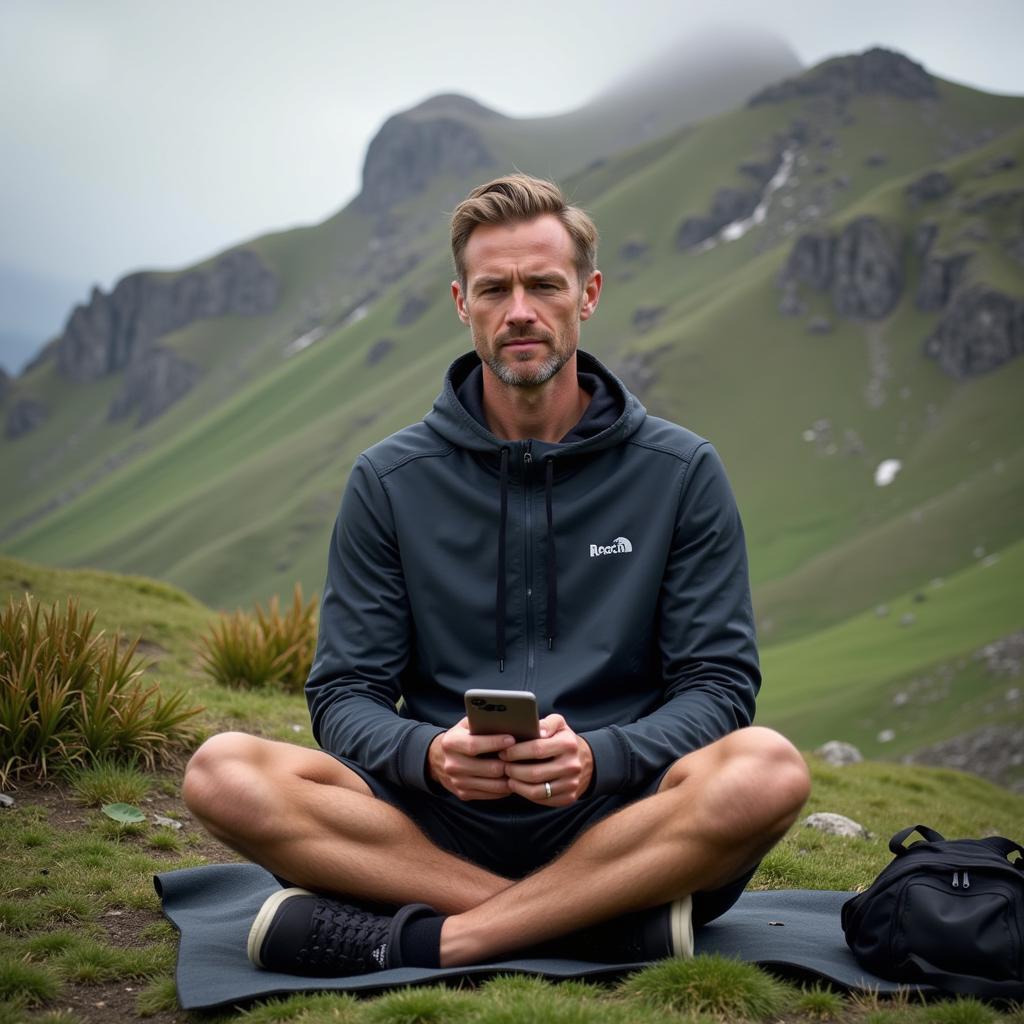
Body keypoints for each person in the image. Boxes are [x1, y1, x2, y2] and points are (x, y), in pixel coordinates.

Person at [182, 173, 811, 977]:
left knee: (768, 770)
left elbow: (720, 687)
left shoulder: (681, 470)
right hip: (426, 826)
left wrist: (603, 756)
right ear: (461, 302)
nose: (520, 310)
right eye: (495, 288)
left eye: (544, 284)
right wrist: (427, 754)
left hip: (623, 821)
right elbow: (343, 694)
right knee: (222, 772)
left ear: (587, 294)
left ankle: (445, 939)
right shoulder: (389, 479)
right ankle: (587, 926)